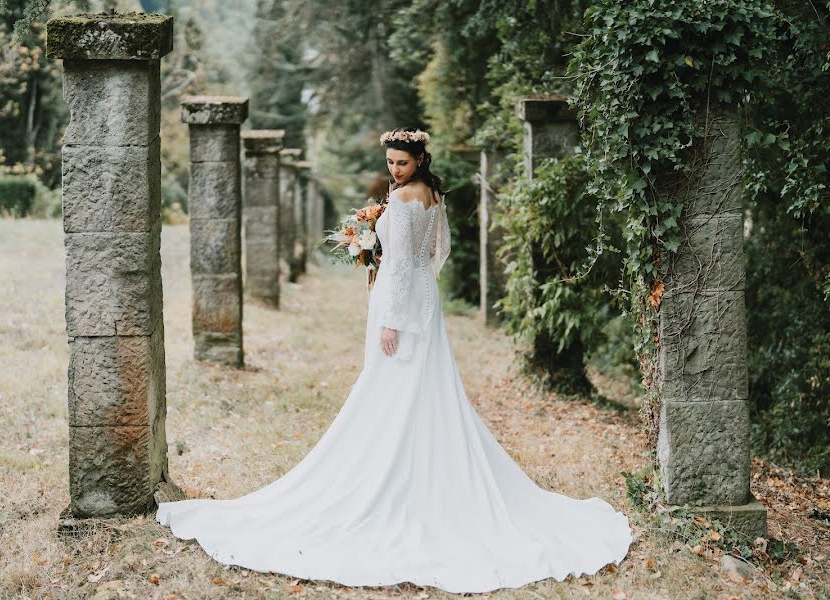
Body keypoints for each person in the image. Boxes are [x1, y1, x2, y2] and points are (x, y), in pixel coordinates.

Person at [155, 127, 633, 594]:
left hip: (400, 302)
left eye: (401, 163)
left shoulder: (404, 200)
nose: (395, 170)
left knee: (393, 382)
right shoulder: (433, 197)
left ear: (419, 159)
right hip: (425, 296)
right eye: (390, 163)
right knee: (423, 383)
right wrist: (410, 276)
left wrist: (392, 317)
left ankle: (392, 470)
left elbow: (402, 263)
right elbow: (438, 253)